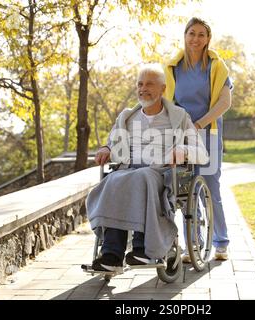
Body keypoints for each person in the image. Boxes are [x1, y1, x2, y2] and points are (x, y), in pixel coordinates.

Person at [86, 63, 209, 273]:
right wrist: (106, 147)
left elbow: (203, 154)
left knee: (141, 176)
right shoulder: (127, 117)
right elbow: (112, 143)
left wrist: (183, 150)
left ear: (163, 89)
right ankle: (111, 254)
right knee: (113, 179)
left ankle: (144, 249)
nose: (143, 88)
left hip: (163, 174)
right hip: (129, 171)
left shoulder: (179, 117)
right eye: (140, 84)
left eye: (150, 84)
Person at [164, 17, 233, 261]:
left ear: (208, 39)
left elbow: (225, 102)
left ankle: (221, 241)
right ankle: (194, 243)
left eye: (201, 34)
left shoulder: (216, 66)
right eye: (191, 33)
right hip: (181, 135)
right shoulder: (172, 67)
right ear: (184, 36)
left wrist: (199, 124)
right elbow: (166, 102)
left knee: (210, 188)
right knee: (186, 189)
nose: (195, 38)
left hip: (208, 132)